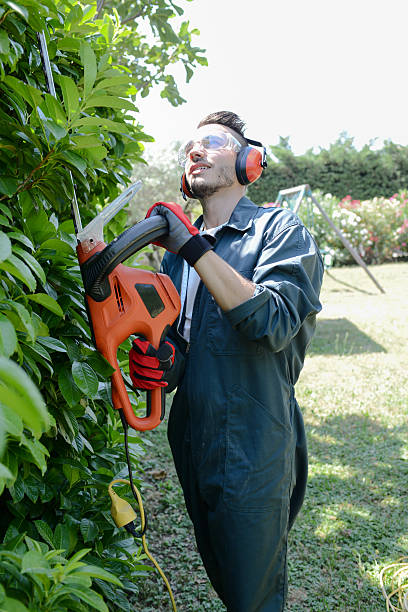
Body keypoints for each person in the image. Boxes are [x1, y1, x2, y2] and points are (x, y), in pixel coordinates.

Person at [129, 111, 324, 611]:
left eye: (212, 143)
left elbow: (273, 321)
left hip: (254, 442)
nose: (195, 151)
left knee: (251, 595)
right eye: (190, 146)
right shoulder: (176, 256)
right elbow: (182, 350)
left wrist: (192, 248)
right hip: (194, 437)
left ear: (248, 161)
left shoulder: (279, 230)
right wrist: (159, 362)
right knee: (223, 571)